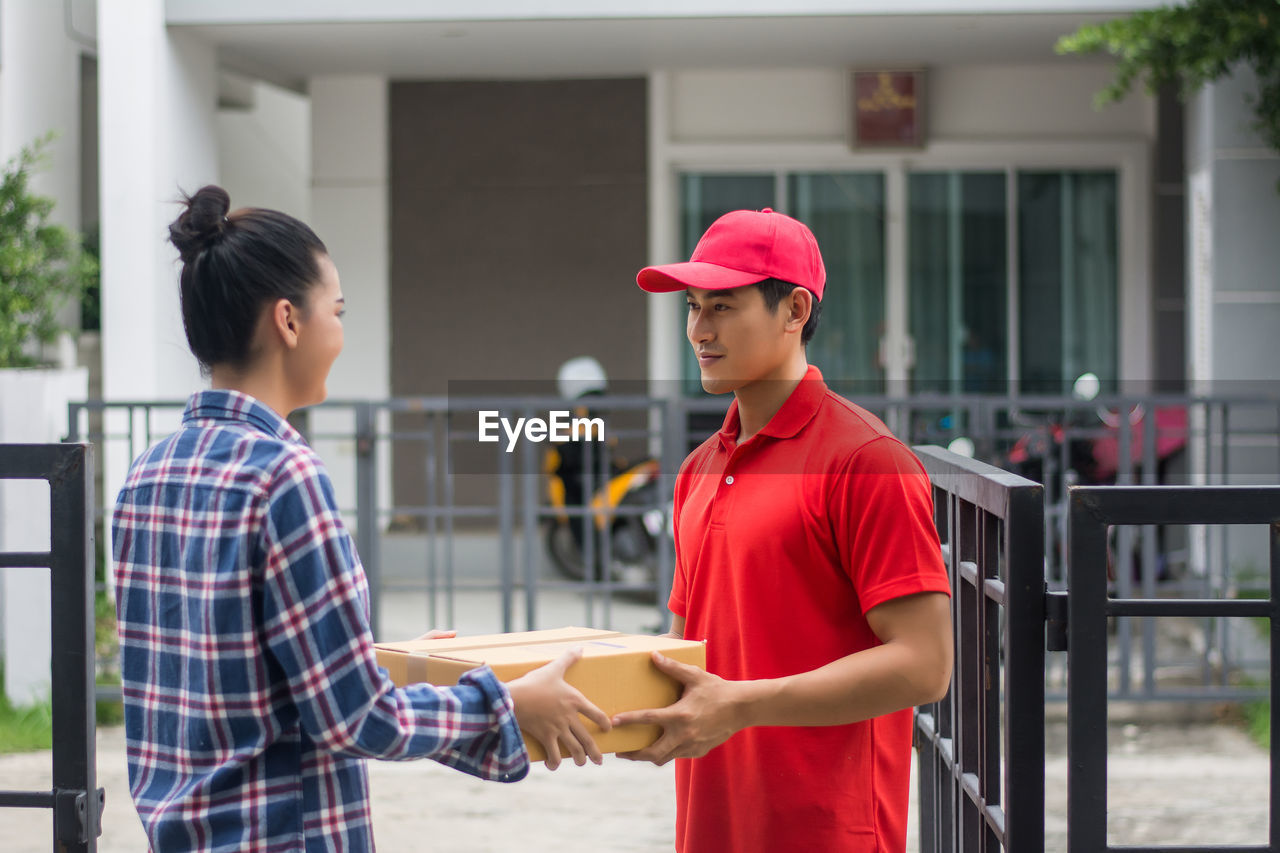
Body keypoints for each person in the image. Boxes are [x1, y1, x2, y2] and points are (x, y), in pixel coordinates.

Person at [111, 185, 609, 852]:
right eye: (336, 311)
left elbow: (231, 673)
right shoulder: (285, 477)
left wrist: (390, 664)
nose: (341, 333)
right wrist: (510, 701)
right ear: (288, 320)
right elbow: (358, 719)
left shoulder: (147, 474)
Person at [613, 208, 954, 852]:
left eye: (722, 307)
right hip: (714, 821)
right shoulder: (698, 469)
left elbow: (925, 664)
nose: (699, 331)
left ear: (795, 310)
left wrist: (741, 705)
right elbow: (687, 650)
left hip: (829, 829)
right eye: (692, 307)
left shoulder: (867, 461)